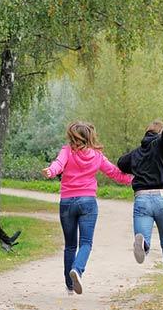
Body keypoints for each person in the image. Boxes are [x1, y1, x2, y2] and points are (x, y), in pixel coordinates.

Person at [42, 122, 133, 295]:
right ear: (89, 136)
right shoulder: (97, 155)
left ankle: (69, 286)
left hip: (67, 202)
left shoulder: (67, 150)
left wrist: (51, 172)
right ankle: (77, 269)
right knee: (86, 243)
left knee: (70, 246)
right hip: (88, 202)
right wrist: (134, 180)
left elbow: (58, 164)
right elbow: (114, 173)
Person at [117, 103, 163, 295]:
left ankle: (145, 245)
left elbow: (121, 163)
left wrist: (137, 161)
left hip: (142, 200)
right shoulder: (161, 144)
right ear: (159, 134)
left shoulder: (136, 153)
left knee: (144, 240)